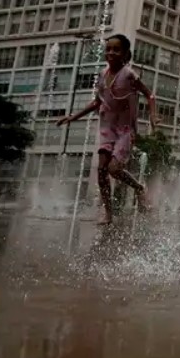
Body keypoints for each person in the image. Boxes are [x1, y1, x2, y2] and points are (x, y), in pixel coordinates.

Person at [57, 34, 158, 225]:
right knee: (101, 169)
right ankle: (108, 211)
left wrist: (152, 115)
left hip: (125, 130)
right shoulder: (103, 75)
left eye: (116, 49)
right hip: (107, 127)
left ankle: (138, 187)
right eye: (108, 49)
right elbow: (97, 101)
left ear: (126, 53)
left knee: (113, 169)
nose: (111, 52)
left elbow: (149, 95)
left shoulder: (129, 75)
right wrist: (73, 117)